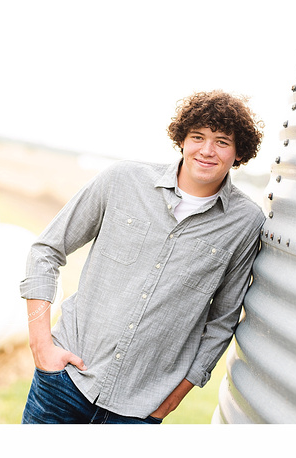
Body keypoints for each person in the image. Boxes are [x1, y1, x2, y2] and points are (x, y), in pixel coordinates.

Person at [20, 90, 265, 424]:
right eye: (198, 137)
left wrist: (173, 398)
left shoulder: (245, 222)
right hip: (64, 383)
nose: (207, 150)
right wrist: (40, 344)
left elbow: (222, 320)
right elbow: (46, 250)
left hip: (140, 408)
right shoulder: (122, 180)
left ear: (239, 153)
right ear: (182, 140)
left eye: (222, 141)